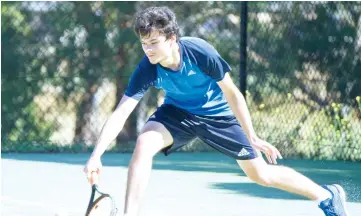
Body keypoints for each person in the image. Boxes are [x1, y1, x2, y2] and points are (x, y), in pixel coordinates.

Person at [84, 6, 349, 216]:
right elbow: (121, 113)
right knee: (143, 142)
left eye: (154, 42)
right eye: (144, 43)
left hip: (218, 116)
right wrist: (96, 155)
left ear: (172, 38)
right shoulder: (147, 68)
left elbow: (233, 93)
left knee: (261, 175)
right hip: (176, 113)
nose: (148, 49)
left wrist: (252, 136)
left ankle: (327, 196)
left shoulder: (200, 52)